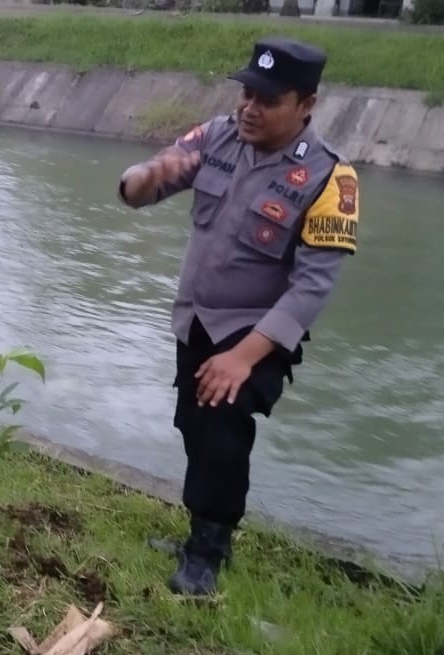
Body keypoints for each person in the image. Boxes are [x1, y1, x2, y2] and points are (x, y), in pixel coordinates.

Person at [118, 38, 360, 596]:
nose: (250, 108)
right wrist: (145, 176)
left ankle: (207, 552)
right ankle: (200, 534)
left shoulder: (330, 179)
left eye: (268, 100)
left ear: (306, 105)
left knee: (224, 434)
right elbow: (144, 184)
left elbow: (312, 286)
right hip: (196, 320)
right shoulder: (216, 136)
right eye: (247, 94)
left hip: (254, 334)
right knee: (193, 425)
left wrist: (243, 358)